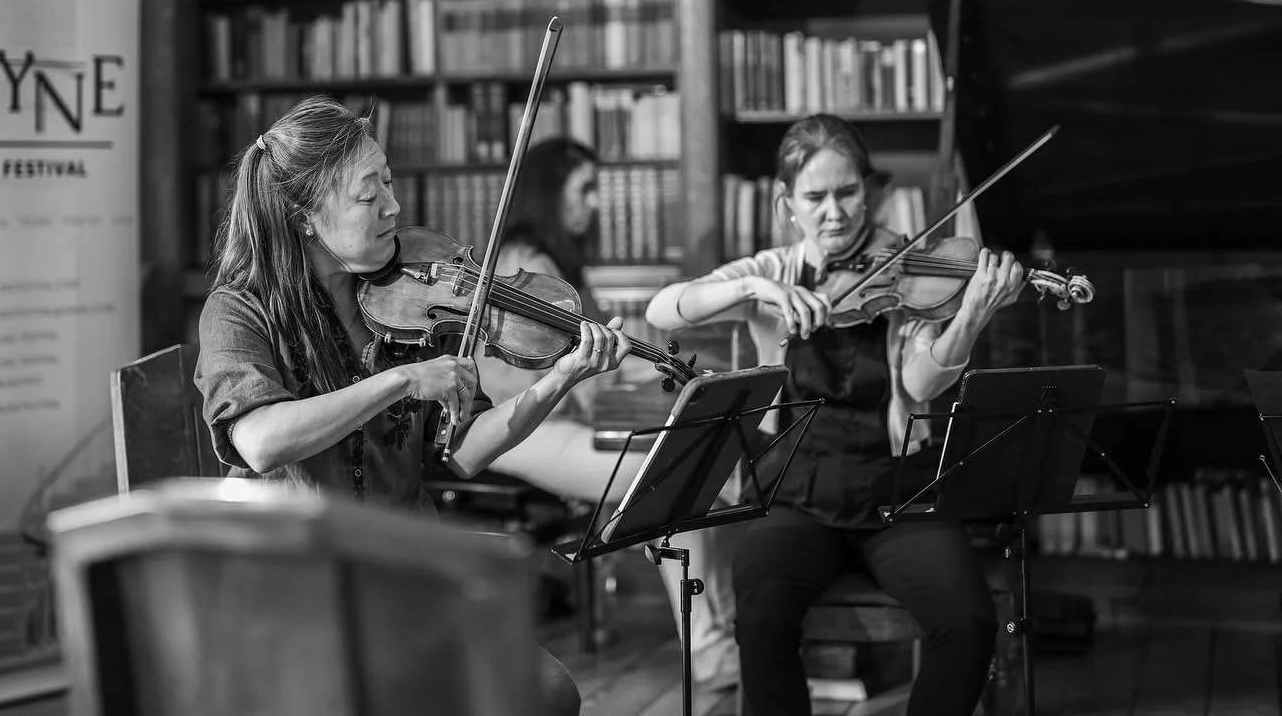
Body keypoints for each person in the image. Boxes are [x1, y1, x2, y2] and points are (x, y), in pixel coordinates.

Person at [194, 97, 633, 716]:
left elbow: (464, 450)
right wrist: (400, 381)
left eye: (390, 182)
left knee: (552, 694)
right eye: (367, 193)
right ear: (305, 217)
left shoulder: (411, 303)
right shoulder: (239, 310)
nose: (393, 207)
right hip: (298, 583)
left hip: (402, 571)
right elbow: (261, 441)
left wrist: (560, 378)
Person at [645, 113, 1024, 716]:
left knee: (969, 623)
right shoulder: (772, 270)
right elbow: (663, 310)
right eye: (814, 197)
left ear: (868, 192)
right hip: (794, 499)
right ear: (786, 203)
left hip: (895, 497)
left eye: (847, 193)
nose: (834, 213)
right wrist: (751, 290)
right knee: (761, 616)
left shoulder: (905, 268)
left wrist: (970, 320)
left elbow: (920, 382)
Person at [475, 136, 740, 690]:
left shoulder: (556, 265)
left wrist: (677, 375)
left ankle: (722, 636)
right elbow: (582, 379)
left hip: (559, 420)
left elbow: (606, 367)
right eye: (585, 188)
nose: (596, 202)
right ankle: (711, 648)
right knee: (671, 478)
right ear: (551, 193)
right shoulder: (526, 267)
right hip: (516, 429)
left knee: (692, 473)